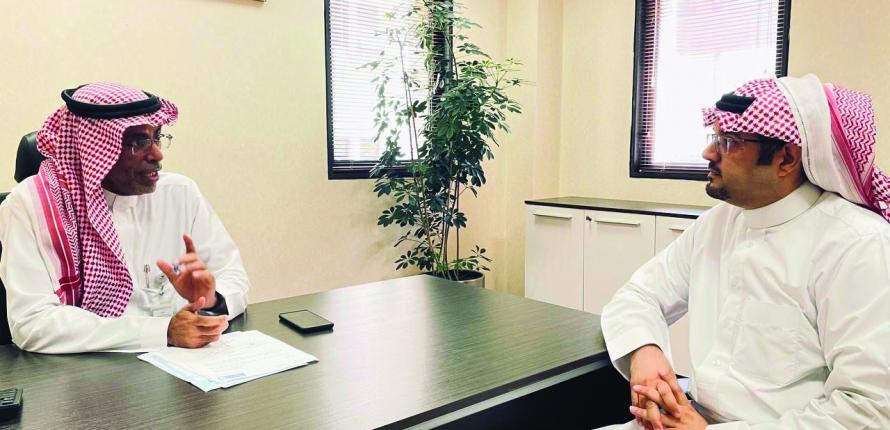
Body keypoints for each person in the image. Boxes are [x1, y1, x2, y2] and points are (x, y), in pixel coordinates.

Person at [600, 75, 890, 429]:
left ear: (786, 159)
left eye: (729, 142)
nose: (708, 154)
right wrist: (645, 353)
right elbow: (638, 296)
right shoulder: (718, 223)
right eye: (715, 138)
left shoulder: (857, 246)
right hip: (686, 417)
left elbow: (869, 411)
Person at [0, 82, 250, 353]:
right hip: (83, 372)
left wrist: (211, 300)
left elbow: (232, 275)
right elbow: (32, 323)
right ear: (93, 149)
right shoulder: (31, 205)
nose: (157, 154)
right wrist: (163, 331)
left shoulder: (180, 193)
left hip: (185, 364)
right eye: (139, 142)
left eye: (157, 137)